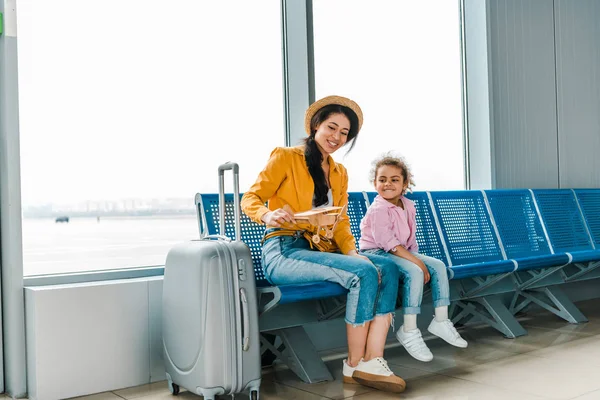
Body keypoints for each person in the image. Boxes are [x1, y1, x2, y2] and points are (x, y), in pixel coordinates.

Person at [241, 96, 406, 393]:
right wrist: (268, 213)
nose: (337, 137)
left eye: (344, 133)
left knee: (388, 268)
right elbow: (249, 198)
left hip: (322, 251)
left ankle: (373, 359)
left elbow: (340, 222)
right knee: (363, 272)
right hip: (285, 250)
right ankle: (355, 365)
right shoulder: (286, 157)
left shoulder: (339, 173)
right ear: (316, 125)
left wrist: (353, 252)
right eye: (332, 127)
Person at [359, 154, 468, 363]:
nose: (387, 184)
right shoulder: (379, 209)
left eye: (394, 179)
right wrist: (416, 262)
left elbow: (409, 239)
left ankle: (441, 319)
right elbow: (387, 242)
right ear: (375, 183)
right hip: (377, 253)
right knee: (415, 271)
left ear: (404, 183)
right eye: (382, 179)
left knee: (438, 266)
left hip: (400, 250)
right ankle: (408, 328)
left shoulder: (408, 205)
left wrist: (417, 257)